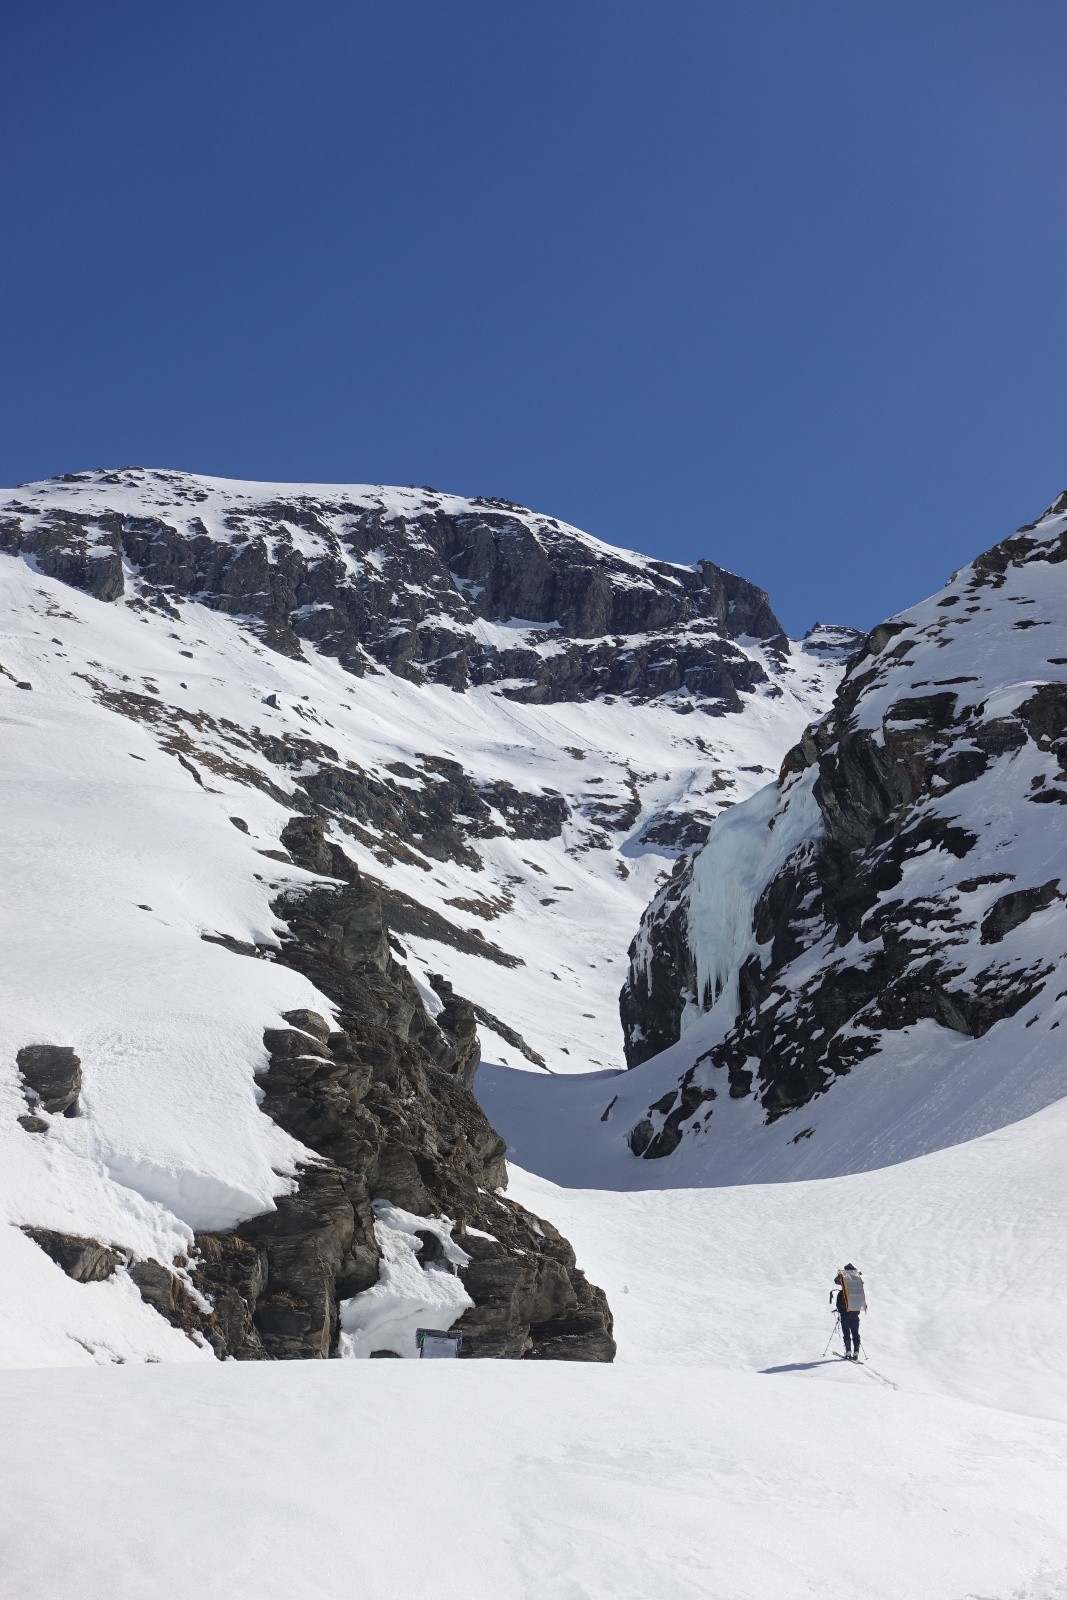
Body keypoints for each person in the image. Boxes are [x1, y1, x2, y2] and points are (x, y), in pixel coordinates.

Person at [830, 1263, 867, 1360]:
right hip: (855, 1312)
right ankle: (856, 1352)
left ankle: (848, 1351)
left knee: (846, 1332)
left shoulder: (844, 1279)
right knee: (855, 1332)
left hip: (845, 1312)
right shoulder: (857, 1280)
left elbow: (836, 1281)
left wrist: (841, 1275)